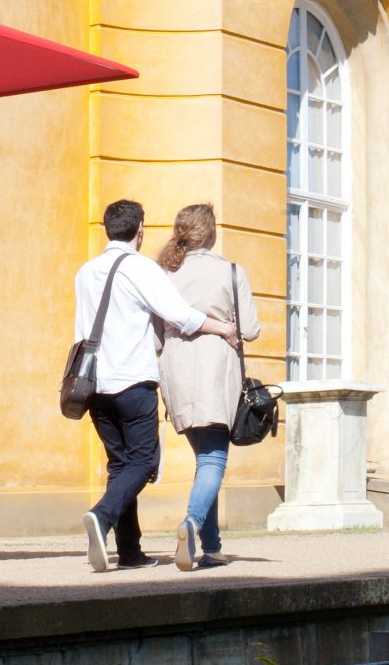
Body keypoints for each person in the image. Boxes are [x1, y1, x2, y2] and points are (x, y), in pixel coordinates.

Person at [74, 199, 238, 572]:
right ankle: (101, 517)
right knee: (144, 461)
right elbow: (179, 315)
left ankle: (130, 553)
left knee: (120, 467)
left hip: (94, 384)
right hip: (132, 379)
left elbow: (83, 330)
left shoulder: (85, 272)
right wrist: (222, 328)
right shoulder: (141, 268)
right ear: (141, 229)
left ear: (107, 228)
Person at [156, 203, 260, 572]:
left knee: (205, 461)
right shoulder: (230, 271)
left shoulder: (165, 272)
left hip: (177, 370)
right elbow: (250, 330)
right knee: (214, 459)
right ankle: (192, 523)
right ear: (211, 231)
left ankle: (212, 548)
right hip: (216, 369)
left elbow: (155, 333)